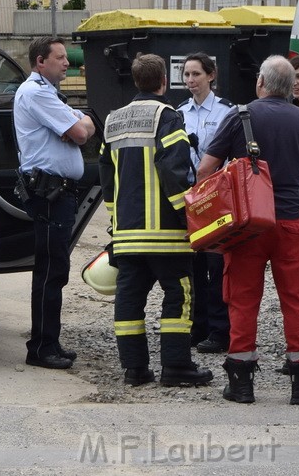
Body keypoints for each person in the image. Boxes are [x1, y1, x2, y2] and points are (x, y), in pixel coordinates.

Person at [198, 55, 299, 406]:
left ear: (261, 82)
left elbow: (206, 168)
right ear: (290, 87)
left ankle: (241, 381)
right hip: (293, 223)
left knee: (242, 299)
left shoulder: (241, 117)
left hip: (248, 224)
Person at [100, 53, 214, 388]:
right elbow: (174, 169)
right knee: (178, 294)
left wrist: (115, 218)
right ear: (164, 81)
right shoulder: (168, 116)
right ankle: (177, 367)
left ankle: (135, 370)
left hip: (127, 234)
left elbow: (106, 177)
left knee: (129, 299)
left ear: (136, 81)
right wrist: (188, 215)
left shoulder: (113, 120)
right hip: (166, 235)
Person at [14, 36, 97, 369]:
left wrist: (79, 123)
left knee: (54, 269)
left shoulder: (47, 94)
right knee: (51, 271)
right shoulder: (36, 93)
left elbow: (85, 122)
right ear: (40, 62)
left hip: (59, 193)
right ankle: (42, 347)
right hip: (50, 194)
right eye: (61, 58)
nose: (68, 63)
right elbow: (80, 133)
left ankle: (49, 342)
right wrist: (77, 125)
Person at [177, 53, 235, 355]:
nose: (190, 80)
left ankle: (219, 329)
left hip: (216, 195)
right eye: (186, 74)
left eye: (196, 74)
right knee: (193, 265)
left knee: (216, 265)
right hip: (190, 195)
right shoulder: (179, 112)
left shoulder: (226, 111)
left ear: (211, 76)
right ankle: (197, 327)